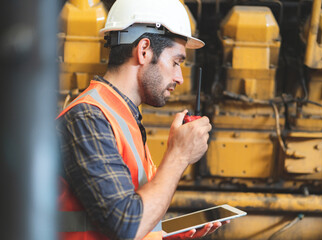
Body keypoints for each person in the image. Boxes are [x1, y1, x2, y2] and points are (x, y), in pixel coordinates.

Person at [56, 0, 227, 239]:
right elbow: (125, 226)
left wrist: (165, 236)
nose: (179, 77)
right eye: (176, 62)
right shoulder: (88, 117)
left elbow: (132, 219)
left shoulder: (124, 118)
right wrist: (178, 155)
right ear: (144, 50)